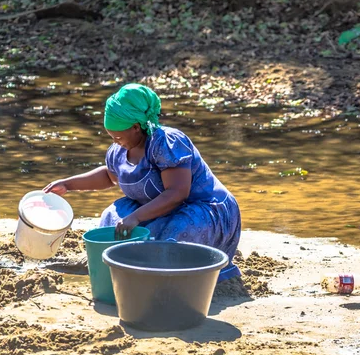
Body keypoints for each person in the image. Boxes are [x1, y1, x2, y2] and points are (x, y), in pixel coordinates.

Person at [43, 83, 241, 282]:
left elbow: (177, 193)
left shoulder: (165, 143)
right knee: (112, 215)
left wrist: (136, 217)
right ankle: (112, 266)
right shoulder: (120, 148)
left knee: (176, 234)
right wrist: (68, 184)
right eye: (111, 137)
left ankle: (173, 277)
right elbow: (109, 176)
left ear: (136, 127)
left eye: (118, 136)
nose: (115, 141)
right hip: (162, 208)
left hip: (201, 209)